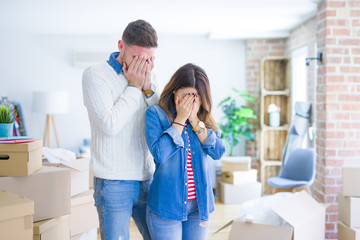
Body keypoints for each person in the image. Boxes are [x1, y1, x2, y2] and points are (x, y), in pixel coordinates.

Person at [82, 19, 159, 240]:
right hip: (113, 181)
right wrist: (135, 87)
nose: (142, 65)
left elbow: (159, 119)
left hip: (147, 176)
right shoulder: (95, 75)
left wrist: (147, 89)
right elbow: (109, 125)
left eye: (149, 59)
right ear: (121, 46)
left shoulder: (149, 74)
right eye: (136, 57)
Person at [145, 63, 226, 240]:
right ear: (174, 91)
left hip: (199, 207)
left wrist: (195, 120)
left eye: (195, 96)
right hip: (166, 206)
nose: (190, 101)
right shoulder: (156, 114)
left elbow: (218, 152)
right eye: (185, 95)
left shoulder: (203, 118)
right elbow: (160, 154)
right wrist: (180, 120)